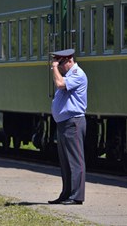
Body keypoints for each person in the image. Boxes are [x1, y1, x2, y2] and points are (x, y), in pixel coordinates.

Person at [48, 49, 88, 205]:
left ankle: (77, 196)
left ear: (69, 60)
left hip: (73, 122)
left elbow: (59, 84)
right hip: (64, 122)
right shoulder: (68, 75)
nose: (59, 66)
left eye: (61, 63)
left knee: (75, 160)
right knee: (65, 162)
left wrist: (54, 68)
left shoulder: (78, 74)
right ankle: (66, 194)